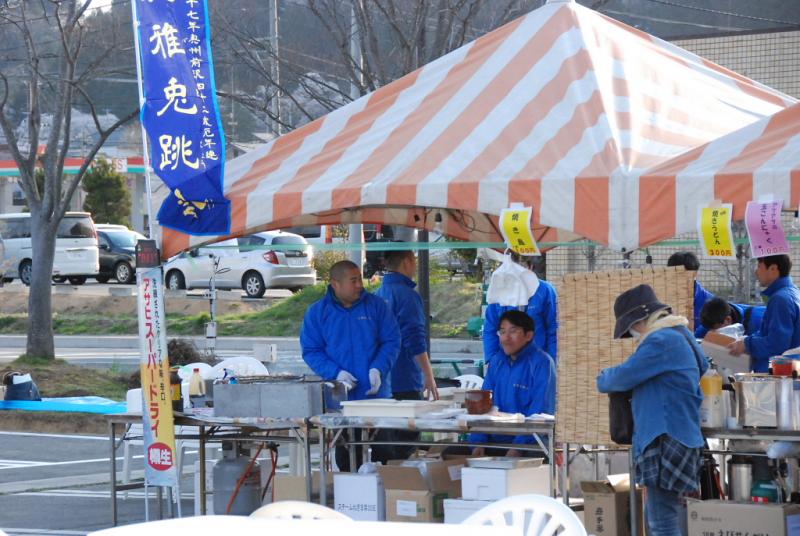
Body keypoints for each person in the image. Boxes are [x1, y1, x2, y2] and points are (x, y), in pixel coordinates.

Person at [597, 284, 707, 536]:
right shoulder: (682, 334)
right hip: (681, 434)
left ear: (639, 318)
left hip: (664, 436)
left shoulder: (661, 340)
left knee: (661, 521)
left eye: (630, 328)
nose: (633, 334)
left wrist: (602, 376)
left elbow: (620, 377)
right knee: (661, 514)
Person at [300, 260, 401, 470]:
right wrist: (336, 373)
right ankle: (349, 501)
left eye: (360, 279)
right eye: (353, 280)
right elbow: (311, 351)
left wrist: (378, 368)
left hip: (377, 399)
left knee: (385, 456)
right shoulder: (317, 313)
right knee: (347, 459)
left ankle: (387, 500)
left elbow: (392, 340)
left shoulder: (378, 306)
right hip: (341, 402)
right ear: (335, 284)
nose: (359, 285)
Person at [470, 310, 556, 457]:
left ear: (529, 335)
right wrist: (478, 441)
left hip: (531, 443)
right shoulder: (496, 361)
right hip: (494, 440)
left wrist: (518, 446)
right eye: (502, 332)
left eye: (513, 331)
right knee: (450, 453)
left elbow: (540, 412)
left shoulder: (542, 363)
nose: (506, 338)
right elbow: (481, 404)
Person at [376, 250, 439, 401]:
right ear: (406, 262)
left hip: (382, 378)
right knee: (406, 424)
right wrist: (428, 374)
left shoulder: (376, 295)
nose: (415, 267)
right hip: (406, 378)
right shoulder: (408, 296)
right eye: (414, 262)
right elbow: (415, 339)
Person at [728, 254, 800, 373]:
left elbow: (777, 344)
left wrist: (747, 344)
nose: (756, 272)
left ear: (773, 269)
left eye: (759, 266)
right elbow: (768, 333)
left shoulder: (781, 299)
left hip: (782, 374)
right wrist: (747, 340)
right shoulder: (792, 292)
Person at [483, 256, 558, 363]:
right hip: (506, 360)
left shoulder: (545, 291)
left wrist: (552, 361)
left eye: (520, 269)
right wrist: (492, 360)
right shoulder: (499, 290)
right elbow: (490, 329)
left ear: (530, 268)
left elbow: (553, 329)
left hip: (538, 360)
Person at [667, 251, 714, 338]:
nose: (679, 279)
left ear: (695, 273)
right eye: (675, 274)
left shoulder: (710, 302)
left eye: (683, 274)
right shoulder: (663, 299)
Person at [699, 297, 765, 336]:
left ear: (728, 320)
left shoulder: (762, 319)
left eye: (718, 331)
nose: (715, 335)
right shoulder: (711, 321)